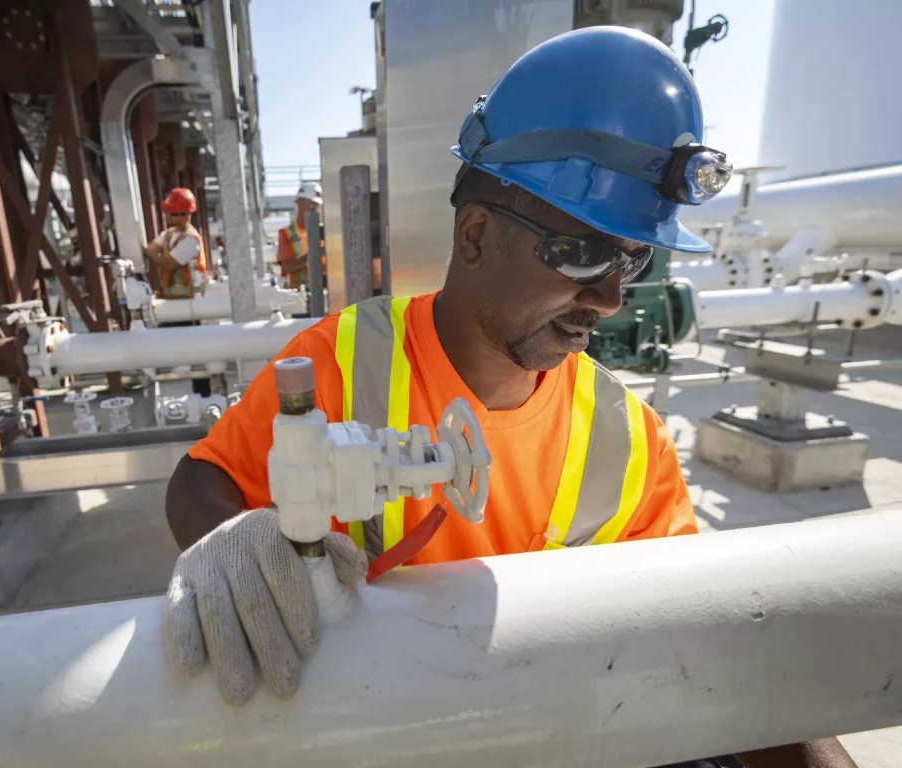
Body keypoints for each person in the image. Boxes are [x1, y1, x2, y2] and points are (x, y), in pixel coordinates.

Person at [163, 28, 857, 768]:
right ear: (475, 235)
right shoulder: (342, 361)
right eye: (584, 252)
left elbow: (695, 629)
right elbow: (204, 479)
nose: (611, 297)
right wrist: (229, 539)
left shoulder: (629, 439)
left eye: (633, 257)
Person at [142, 187, 208, 298]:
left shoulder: (191, 240)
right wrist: (147, 251)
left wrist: (146, 251)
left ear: (185, 215)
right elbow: (151, 249)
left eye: (172, 214)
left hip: (189, 300)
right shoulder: (169, 234)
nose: (167, 217)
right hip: (172, 297)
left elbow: (168, 264)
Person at [276, 181, 323, 289]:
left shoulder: (324, 232)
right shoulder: (286, 233)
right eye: (311, 203)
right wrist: (314, 254)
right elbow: (287, 266)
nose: (314, 208)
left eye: (317, 205)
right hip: (299, 297)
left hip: (325, 292)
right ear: (299, 203)